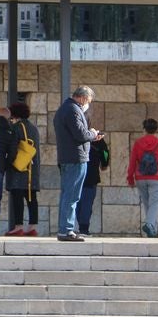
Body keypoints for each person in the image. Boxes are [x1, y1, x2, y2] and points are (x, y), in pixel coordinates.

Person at [52, 85, 102, 242]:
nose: (88, 104)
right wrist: (93, 134)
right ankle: (66, 229)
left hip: (68, 157)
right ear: (83, 98)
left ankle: (65, 228)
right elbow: (80, 134)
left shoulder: (64, 108)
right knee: (72, 195)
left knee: (68, 194)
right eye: (88, 101)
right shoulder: (73, 110)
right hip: (75, 158)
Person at [127, 118, 158, 238]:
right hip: (157, 177)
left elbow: (132, 162)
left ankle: (151, 230)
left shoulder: (138, 144)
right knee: (155, 202)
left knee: (148, 203)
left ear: (144, 129)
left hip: (141, 177)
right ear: (156, 129)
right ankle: (149, 224)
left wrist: (130, 177)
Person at [1, 102, 41, 236]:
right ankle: (32, 226)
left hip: (19, 169)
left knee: (17, 198)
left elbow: (13, 149)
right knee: (31, 197)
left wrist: (7, 163)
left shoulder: (16, 127)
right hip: (32, 169)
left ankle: (18, 227)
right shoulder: (34, 128)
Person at [77, 124, 111, 235]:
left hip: (77, 175)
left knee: (77, 203)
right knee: (87, 203)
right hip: (91, 176)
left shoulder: (76, 136)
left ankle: (80, 226)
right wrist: (104, 164)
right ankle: (84, 229)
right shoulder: (97, 139)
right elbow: (105, 152)